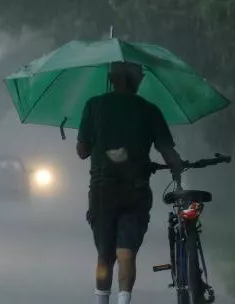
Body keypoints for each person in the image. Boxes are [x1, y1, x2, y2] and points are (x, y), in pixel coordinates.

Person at [76, 61, 184, 304]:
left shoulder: (94, 106)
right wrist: (178, 168)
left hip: (103, 191)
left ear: (112, 79)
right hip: (136, 190)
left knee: (104, 256)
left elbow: (82, 151)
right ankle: (124, 300)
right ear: (135, 81)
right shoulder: (150, 110)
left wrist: (99, 140)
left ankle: (101, 301)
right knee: (126, 253)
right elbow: (169, 154)